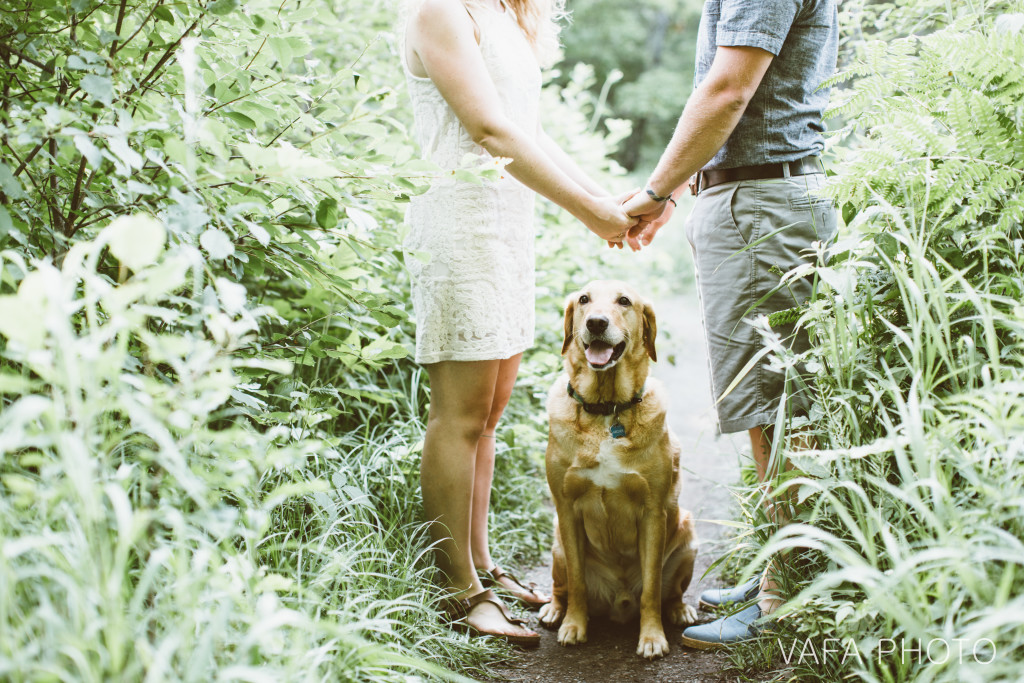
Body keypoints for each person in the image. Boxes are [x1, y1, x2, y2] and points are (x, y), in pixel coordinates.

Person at [401, 0, 636, 645]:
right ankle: (456, 592)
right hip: (457, 226)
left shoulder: (505, 12)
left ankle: (480, 564)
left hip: (506, 228)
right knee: (459, 413)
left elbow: (527, 127)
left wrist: (604, 197)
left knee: (490, 411)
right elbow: (489, 130)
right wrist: (590, 213)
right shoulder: (437, 10)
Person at [621, 0, 840, 648]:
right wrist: (685, 186)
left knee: (785, 406)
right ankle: (783, 562)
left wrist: (657, 190)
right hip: (753, 197)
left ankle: (785, 593)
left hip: (765, 207)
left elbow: (729, 87)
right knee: (769, 404)